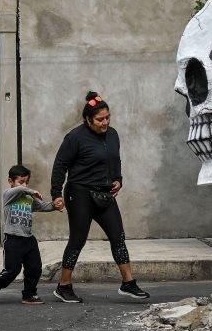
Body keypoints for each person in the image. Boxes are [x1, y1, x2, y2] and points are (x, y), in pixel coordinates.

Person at [50, 91, 150, 303]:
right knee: (78, 240)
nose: (105, 122)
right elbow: (60, 166)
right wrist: (56, 194)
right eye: (100, 119)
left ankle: (128, 283)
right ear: (87, 119)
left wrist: (118, 178)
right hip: (80, 193)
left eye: (107, 117)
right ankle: (63, 286)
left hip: (104, 194)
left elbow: (115, 159)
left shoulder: (112, 134)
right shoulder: (75, 137)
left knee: (118, 237)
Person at [0, 164, 60, 305]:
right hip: (12, 238)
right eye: (21, 181)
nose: (24, 185)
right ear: (10, 181)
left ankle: (29, 294)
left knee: (35, 268)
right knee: (12, 270)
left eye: (27, 181)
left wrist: (54, 206)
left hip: (28, 238)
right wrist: (30, 190)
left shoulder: (29, 197)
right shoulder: (8, 195)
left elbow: (42, 206)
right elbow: (19, 189)